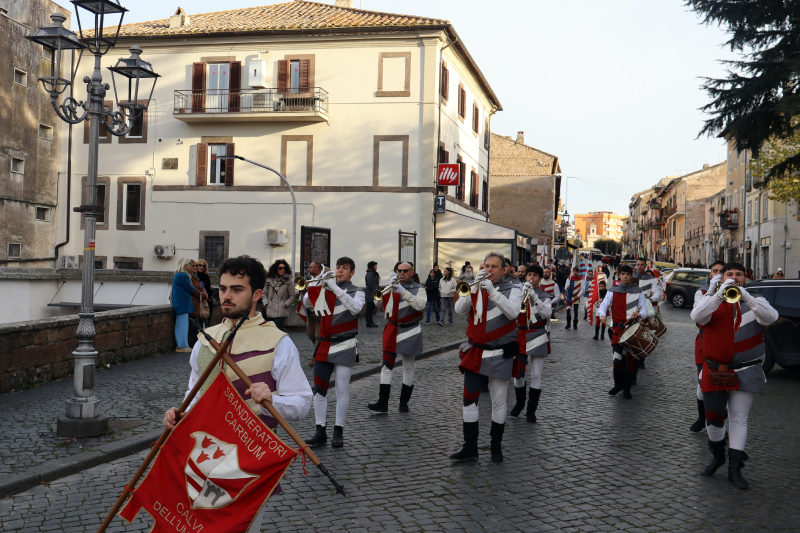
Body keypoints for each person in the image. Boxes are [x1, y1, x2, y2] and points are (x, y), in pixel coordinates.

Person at [163, 256, 311, 533]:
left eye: (237, 289)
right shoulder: (205, 340)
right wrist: (178, 414)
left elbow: (302, 404)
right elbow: (194, 397)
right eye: (223, 288)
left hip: (251, 463)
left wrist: (271, 400)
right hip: (203, 460)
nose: (227, 296)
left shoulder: (278, 342)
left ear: (257, 294)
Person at [690, 262, 778, 489]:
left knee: (739, 418)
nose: (735, 277)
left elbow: (771, 318)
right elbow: (696, 316)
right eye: (729, 274)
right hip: (715, 369)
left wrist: (746, 297)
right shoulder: (711, 300)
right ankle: (718, 455)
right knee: (713, 418)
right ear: (721, 276)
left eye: (739, 274)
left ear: (745, 278)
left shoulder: (756, 300)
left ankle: (734, 468)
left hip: (746, 369)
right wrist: (718, 292)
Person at [450, 252, 522, 464]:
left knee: (498, 402)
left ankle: (495, 446)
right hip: (476, 351)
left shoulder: (514, 289)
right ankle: (470, 447)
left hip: (500, 352)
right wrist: (473, 288)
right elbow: (459, 310)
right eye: (486, 266)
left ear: (504, 270)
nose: (489, 270)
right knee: (469, 400)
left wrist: (492, 293)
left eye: (494, 267)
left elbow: (513, 313)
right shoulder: (477, 286)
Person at [304, 257, 365, 448]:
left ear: (352, 273)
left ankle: (338, 430)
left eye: (344, 268)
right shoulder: (325, 288)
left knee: (341, 390)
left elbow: (355, 309)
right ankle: (320, 430)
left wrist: (334, 287)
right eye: (338, 267)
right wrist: (318, 281)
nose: (339, 271)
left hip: (345, 344)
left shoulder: (358, 292)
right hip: (324, 344)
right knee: (319, 390)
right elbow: (307, 303)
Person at [368, 262, 426, 413]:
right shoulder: (392, 287)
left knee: (408, 367)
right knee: (386, 366)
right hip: (392, 328)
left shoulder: (419, 289)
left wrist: (403, 292)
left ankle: (403, 402)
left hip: (410, 329)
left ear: (411, 272)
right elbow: (378, 305)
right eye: (399, 271)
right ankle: (382, 402)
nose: (401, 273)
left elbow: (420, 305)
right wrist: (387, 290)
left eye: (405, 271)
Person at [509, 264, 552, 423]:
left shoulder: (545, 295)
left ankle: (531, 410)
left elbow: (547, 314)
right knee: (518, 374)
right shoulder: (517, 293)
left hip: (538, 333)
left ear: (540, 279)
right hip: (520, 334)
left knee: (535, 375)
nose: (531, 278)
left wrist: (534, 297)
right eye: (529, 275)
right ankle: (520, 403)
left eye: (534, 275)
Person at [598, 264, 647, 400]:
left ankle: (627, 389)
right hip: (617, 329)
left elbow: (644, 312)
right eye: (623, 274)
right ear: (619, 275)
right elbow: (603, 305)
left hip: (632, 329)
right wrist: (602, 315)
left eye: (628, 274)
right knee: (617, 359)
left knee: (630, 360)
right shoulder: (612, 291)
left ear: (631, 276)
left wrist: (639, 314)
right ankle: (618, 384)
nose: (625, 277)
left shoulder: (638, 291)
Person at [689, 260, 725, 433]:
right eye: (714, 271)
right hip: (704, 342)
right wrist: (711, 292)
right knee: (701, 385)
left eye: (721, 271)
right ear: (710, 274)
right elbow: (697, 315)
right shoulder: (701, 292)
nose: (718, 274)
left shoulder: (734, 292)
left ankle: (720, 422)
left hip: (724, 343)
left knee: (724, 385)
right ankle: (702, 417)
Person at [171, 259, 200, 353]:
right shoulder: (181, 275)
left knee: (183, 325)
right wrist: (192, 285)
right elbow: (190, 287)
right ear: (185, 265)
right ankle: (182, 345)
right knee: (182, 326)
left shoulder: (181, 275)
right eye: (189, 264)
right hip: (182, 303)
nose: (191, 266)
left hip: (182, 303)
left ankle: (183, 345)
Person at [261, 259, 296, 331]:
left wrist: (285, 304)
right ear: (276, 269)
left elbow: (292, 296)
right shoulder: (269, 280)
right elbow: (264, 294)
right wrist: (266, 304)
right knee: (270, 331)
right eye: (280, 268)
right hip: (270, 309)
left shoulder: (289, 281)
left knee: (277, 329)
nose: (282, 269)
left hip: (281, 310)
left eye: (284, 268)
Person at [186, 260, 208, 347]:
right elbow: (194, 290)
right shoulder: (189, 277)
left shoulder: (195, 276)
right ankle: (198, 345)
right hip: (194, 304)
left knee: (203, 324)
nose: (195, 267)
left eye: (196, 265)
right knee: (197, 326)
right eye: (193, 265)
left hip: (199, 304)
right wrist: (204, 295)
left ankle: (202, 343)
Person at [195, 259, 214, 328]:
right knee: (201, 322)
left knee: (207, 320)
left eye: (203, 266)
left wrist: (211, 296)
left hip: (208, 302)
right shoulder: (195, 276)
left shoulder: (206, 276)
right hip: (200, 301)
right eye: (199, 265)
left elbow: (209, 287)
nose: (201, 267)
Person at [364, 261, 381, 328]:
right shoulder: (369, 274)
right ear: (372, 266)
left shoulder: (373, 273)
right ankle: (369, 322)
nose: (376, 267)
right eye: (375, 265)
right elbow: (370, 285)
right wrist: (376, 291)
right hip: (371, 294)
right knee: (369, 309)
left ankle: (370, 322)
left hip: (373, 293)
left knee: (371, 308)